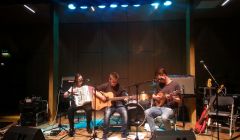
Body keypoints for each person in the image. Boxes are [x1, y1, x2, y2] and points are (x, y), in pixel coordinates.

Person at [145, 67, 182, 134]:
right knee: (147, 112)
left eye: (160, 79)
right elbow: (155, 96)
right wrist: (155, 97)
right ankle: (154, 133)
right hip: (159, 107)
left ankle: (169, 134)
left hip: (170, 109)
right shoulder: (160, 85)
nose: (159, 81)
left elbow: (179, 101)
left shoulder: (175, 84)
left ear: (164, 75)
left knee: (164, 117)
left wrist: (172, 97)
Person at [95, 72, 128, 140]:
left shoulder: (120, 86)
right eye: (113, 82)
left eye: (115, 82)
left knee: (125, 114)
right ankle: (105, 135)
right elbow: (94, 90)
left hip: (119, 105)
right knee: (106, 116)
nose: (114, 83)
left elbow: (125, 95)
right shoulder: (105, 85)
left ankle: (124, 134)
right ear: (109, 80)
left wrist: (126, 98)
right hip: (109, 106)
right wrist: (101, 97)